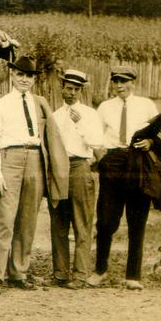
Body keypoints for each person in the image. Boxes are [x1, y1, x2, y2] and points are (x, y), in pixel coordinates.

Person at [86, 66, 161, 290]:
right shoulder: (105, 108)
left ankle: (133, 276)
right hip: (114, 161)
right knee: (106, 220)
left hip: (139, 162)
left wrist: (150, 143)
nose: (119, 86)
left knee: (137, 220)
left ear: (133, 83)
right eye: (115, 81)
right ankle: (100, 271)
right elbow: (96, 137)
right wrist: (103, 160)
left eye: (123, 81)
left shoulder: (146, 105)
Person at [0, 55, 69, 294]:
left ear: (34, 80)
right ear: (13, 75)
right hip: (9, 159)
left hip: (34, 160)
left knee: (28, 220)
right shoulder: (0, 105)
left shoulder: (39, 103)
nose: (24, 79)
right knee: (5, 220)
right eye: (20, 74)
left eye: (29, 76)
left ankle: (19, 272)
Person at [49, 69, 106, 289]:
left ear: (81, 91)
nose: (71, 93)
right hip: (59, 169)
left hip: (81, 167)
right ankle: (60, 273)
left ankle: (80, 275)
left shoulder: (90, 114)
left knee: (82, 223)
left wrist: (80, 123)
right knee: (59, 224)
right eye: (68, 88)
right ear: (62, 88)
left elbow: (96, 142)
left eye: (75, 89)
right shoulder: (55, 115)